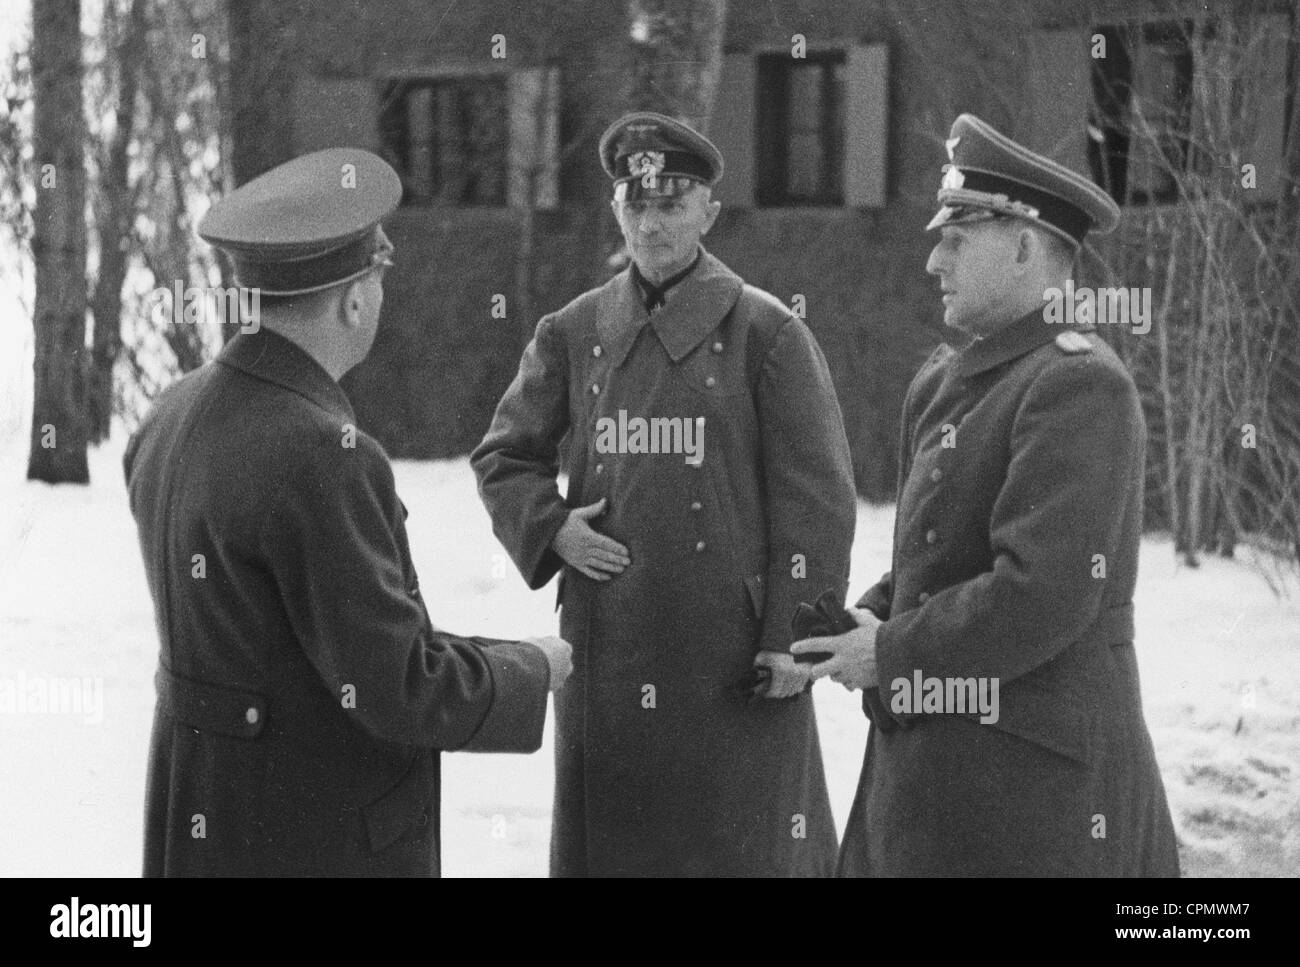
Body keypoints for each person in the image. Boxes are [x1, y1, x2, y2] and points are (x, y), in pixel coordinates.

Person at [124, 147, 571, 877]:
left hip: (202, 821)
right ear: (354, 299)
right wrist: (528, 668)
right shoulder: (326, 453)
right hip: (312, 837)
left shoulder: (170, 412)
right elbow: (394, 683)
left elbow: (289, 639)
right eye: (378, 278)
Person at [472, 112, 857, 876]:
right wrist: (550, 528)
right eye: (636, 203)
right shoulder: (573, 330)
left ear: (709, 211)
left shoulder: (766, 334)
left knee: (736, 852)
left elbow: (817, 502)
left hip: (732, 662)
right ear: (617, 208)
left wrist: (792, 635)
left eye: (672, 205)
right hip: (608, 650)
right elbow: (504, 456)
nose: (651, 224)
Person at [795, 113, 1180, 877]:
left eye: (956, 240)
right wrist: (864, 616)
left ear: (1024, 247)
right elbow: (938, 561)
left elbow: (1041, 593)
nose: (934, 260)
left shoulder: (1078, 384)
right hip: (935, 779)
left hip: (1034, 796)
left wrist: (892, 650)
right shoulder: (945, 381)